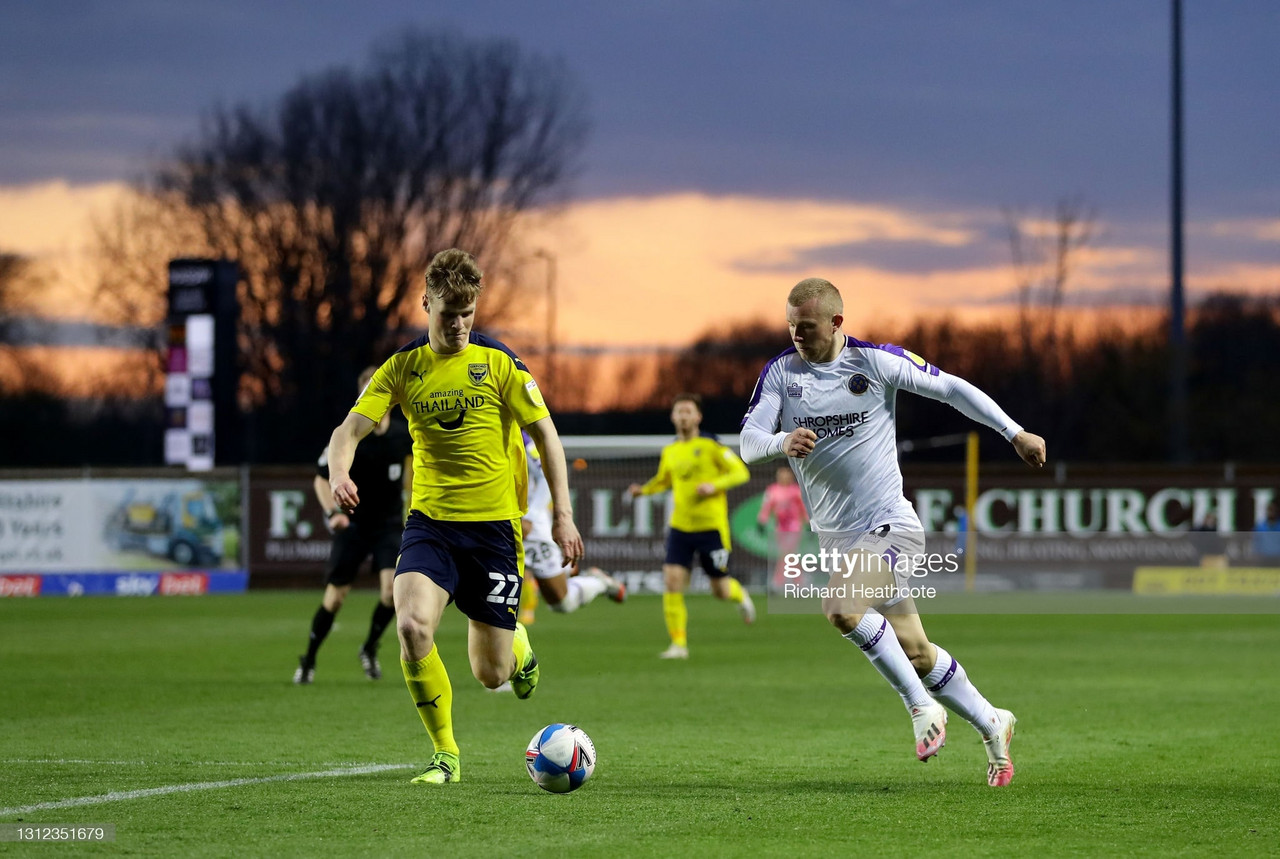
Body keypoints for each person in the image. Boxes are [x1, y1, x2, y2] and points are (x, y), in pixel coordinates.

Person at [739, 278, 1046, 787]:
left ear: (837, 322)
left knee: (841, 609)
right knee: (918, 652)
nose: (796, 335)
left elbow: (950, 387)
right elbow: (748, 442)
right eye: (791, 325)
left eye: (807, 326)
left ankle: (921, 707)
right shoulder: (780, 374)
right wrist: (781, 440)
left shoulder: (874, 362)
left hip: (890, 526)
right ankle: (994, 722)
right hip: (840, 541)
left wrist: (1013, 432)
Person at [326, 248, 583, 785]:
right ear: (426, 304)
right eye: (449, 313)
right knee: (413, 626)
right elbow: (346, 431)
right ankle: (446, 755)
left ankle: (519, 651)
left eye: (469, 312)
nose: (461, 324)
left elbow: (547, 436)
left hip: (494, 532)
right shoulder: (403, 367)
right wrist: (339, 474)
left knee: (490, 674)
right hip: (430, 526)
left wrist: (563, 514)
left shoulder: (500, 363)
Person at [294, 367, 413, 685]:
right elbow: (322, 478)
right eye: (365, 394)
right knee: (334, 599)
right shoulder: (349, 434)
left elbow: (416, 474)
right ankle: (309, 659)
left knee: (392, 594)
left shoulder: (404, 435)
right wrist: (333, 511)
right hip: (355, 526)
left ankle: (370, 648)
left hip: (388, 525)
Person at [627, 393, 754, 659]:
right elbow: (664, 480)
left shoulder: (712, 446)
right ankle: (678, 645)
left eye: (688, 411)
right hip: (680, 528)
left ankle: (738, 594)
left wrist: (714, 485)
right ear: (673, 417)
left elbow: (741, 472)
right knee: (672, 582)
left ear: (698, 416)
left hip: (711, 529)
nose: (683, 416)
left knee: (719, 590)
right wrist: (644, 491)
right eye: (679, 411)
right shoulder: (670, 450)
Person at [517, 430, 625, 624]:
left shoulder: (520, 436)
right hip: (488, 520)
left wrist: (530, 516)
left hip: (528, 527)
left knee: (561, 601)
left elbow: (545, 473)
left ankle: (598, 582)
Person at [758, 465, 807, 589]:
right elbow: (767, 507)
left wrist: (808, 521)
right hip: (780, 528)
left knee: (786, 554)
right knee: (790, 555)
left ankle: (777, 582)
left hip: (794, 527)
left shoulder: (796, 491)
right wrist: (762, 521)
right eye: (781, 474)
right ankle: (799, 583)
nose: (783, 477)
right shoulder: (772, 490)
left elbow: (803, 508)